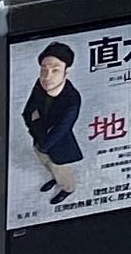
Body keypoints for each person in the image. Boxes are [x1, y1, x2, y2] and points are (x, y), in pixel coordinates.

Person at [22, 43, 85, 206]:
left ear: (66, 71)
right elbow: (29, 111)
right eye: (43, 69)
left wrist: (44, 141)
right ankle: (55, 179)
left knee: (60, 168)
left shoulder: (72, 99)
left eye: (55, 70)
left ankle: (67, 188)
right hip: (39, 138)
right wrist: (36, 131)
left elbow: (62, 129)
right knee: (45, 162)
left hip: (57, 145)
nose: (47, 76)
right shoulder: (40, 84)